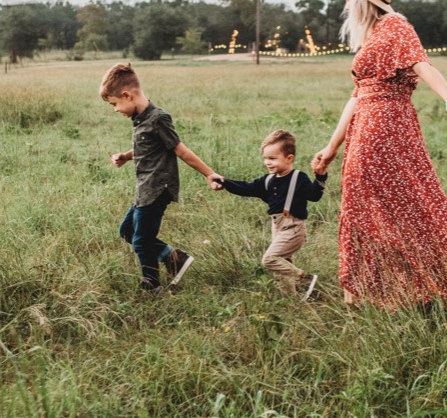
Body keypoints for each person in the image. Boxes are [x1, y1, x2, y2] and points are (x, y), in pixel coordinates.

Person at [311, 0, 447, 313]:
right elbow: (357, 96)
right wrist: (330, 147)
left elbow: (423, 65)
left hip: (385, 128)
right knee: (366, 210)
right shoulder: (371, 35)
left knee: (412, 209)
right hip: (366, 127)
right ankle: (373, 294)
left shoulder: (395, 26)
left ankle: (432, 290)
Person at [100, 63, 219, 294]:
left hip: (157, 189)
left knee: (142, 241)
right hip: (144, 189)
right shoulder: (140, 119)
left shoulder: (158, 118)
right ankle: (173, 258)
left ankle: (152, 286)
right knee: (127, 231)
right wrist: (126, 156)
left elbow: (180, 150)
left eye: (114, 104)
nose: (115, 109)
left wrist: (209, 174)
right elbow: (148, 147)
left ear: (127, 95)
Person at [209, 129, 326, 299]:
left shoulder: (298, 178)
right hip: (277, 226)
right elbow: (246, 188)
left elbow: (314, 196)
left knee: (270, 259)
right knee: (282, 267)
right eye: (265, 158)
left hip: (293, 227)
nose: (267, 163)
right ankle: (291, 301)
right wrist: (224, 182)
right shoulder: (268, 180)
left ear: (289, 158)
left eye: (272, 158)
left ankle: (305, 279)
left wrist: (320, 177)